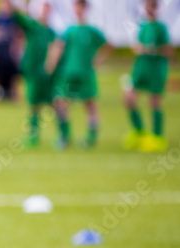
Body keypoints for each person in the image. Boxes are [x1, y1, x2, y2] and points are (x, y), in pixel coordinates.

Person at [48, 0, 110, 149]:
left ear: (85, 8)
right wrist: (51, 64)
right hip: (68, 73)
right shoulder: (69, 30)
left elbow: (108, 45)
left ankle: (91, 137)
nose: (78, 9)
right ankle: (65, 137)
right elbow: (58, 47)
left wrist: (97, 60)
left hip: (86, 74)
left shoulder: (91, 30)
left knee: (90, 103)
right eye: (76, 6)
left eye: (81, 6)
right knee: (60, 102)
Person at [124, 0, 172, 153]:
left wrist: (150, 50)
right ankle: (140, 132)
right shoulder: (142, 26)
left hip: (156, 69)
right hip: (140, 68)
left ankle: (157, 137)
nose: (150, 8)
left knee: (154, 101)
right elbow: (138, 46)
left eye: (153, 5)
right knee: (129, 98)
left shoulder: (160, 27)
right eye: (147, 5)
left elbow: (169, 50)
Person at [13, 1, 56, 147]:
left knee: (55, 104)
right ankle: (33, 136)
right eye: (43, 9)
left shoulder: (51, 32)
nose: (45, 12)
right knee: (33, 105)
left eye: (47, 9)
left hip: (49, 76)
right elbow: (18, 18)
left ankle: (64, 134)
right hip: (33, 74)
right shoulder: (33, 27)